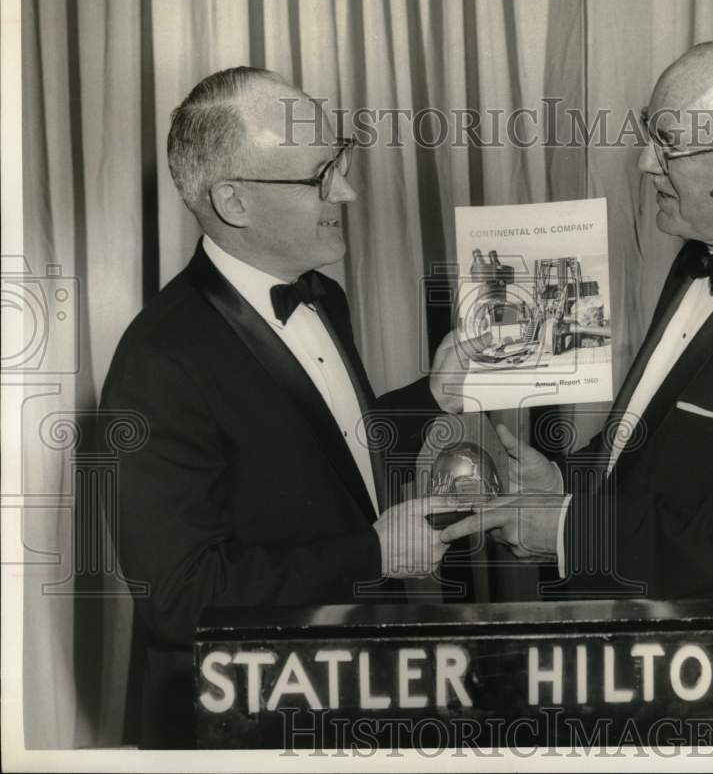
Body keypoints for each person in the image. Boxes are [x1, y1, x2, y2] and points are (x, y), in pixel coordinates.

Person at [442, 37, 713, 744]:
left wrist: (564, 527)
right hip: (637, 685)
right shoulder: (698, 260)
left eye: (668, 143)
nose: (646, 163)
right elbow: (652, 454)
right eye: (651, 136)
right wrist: (561, 479)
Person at [101, 66, 458, 747]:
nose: (347, 191)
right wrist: (373, 553)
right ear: (233, 202)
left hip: (348, 695)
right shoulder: (160, 361)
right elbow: (180, 599)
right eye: (321, 174)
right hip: (245, 724)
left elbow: (325, 459)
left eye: (341, 163)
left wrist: (433, 396)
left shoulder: (322, 295)